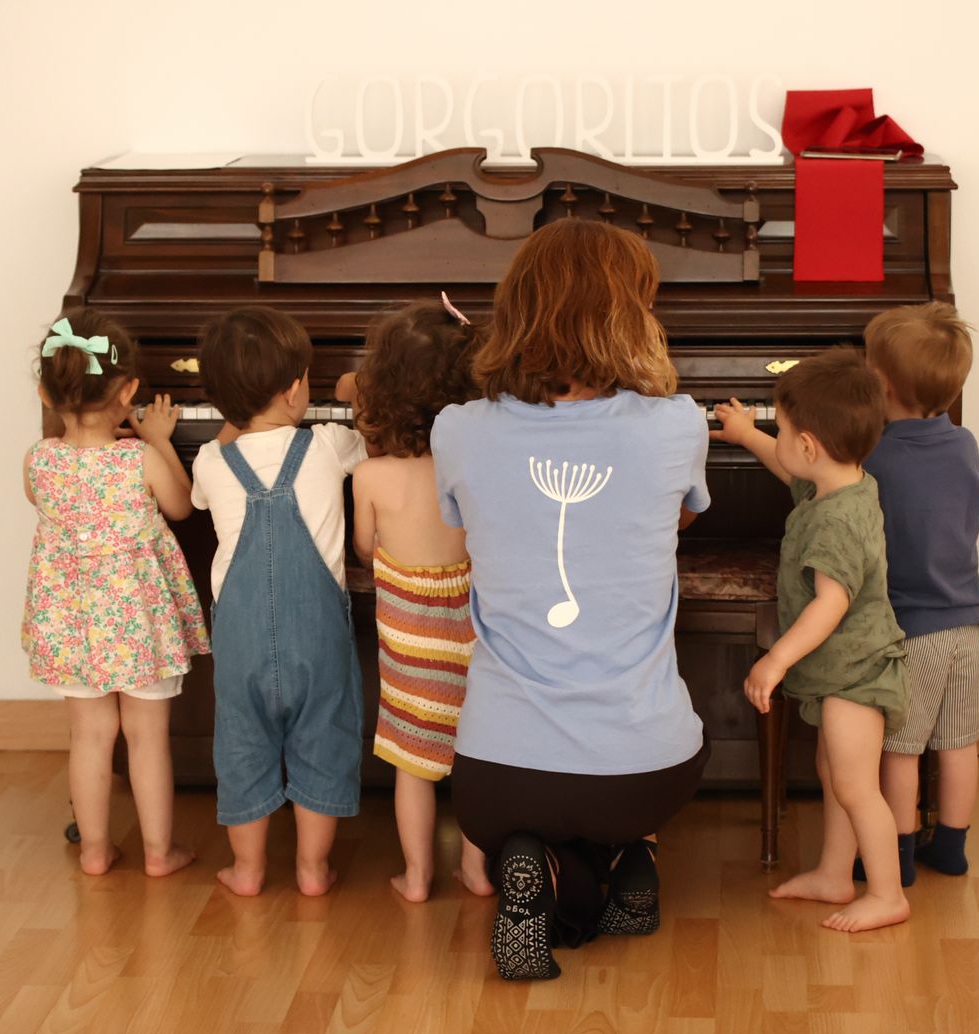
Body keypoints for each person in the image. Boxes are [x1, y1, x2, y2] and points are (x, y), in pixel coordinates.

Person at [432, 218, 711, 980]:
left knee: (539, 802)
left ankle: (539, 863)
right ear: (633, 315)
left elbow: (463, 524)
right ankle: (630, 858)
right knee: (649, 761)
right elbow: (677, 516)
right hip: (645, 775)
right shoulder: (676, 425)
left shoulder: (456, 429)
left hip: (492, 777)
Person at [715, 347, 910, 933]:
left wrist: (775, 659)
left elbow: (832, 602)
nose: (776, 435)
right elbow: (791, 475)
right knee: (834, 773)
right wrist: (751, 436)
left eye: (780, 428)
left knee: (855, 784)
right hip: (841, 671)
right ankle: (834, 873)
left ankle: (886, 893)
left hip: (857, 671)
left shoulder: (837, 521)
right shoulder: (841, 485)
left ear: (808, 447)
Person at [21, 311, 209, 878]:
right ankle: (159, 853)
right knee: (147, 738)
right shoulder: (140, 458)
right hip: (138, 621)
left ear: (45, 392)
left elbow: (41, 503)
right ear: (129, 390)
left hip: (71, 621)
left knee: (89, 735)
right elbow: (182, 506)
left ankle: (96, 851)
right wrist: (157, 440)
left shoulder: (39, 459)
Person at [190, 307, 367, 898]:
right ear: (296, 390)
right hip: (316, 639)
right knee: (322, 735)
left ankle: (248, 869)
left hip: (239, 643)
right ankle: (313, 870)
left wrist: (233, 421)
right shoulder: (326, 445)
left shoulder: (213, 461)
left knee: (241, 744)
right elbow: (369, 431)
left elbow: (196, 490)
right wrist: (351, 392)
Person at [347, 297, 492, 902]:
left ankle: (416, 876)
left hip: (408, 644)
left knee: (413, 766)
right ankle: (480, 872)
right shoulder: (480, 465)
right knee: (480, 760)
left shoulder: (371, 477)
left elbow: (363, 549)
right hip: (476, 636)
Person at [861, 302, 979, 885]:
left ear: (881, 385)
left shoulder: (878, 456)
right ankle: (952, 848)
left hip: (913, 631)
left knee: (902, 750)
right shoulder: (965, 444)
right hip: (969, 626)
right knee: (958, 744)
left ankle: (901, 854)